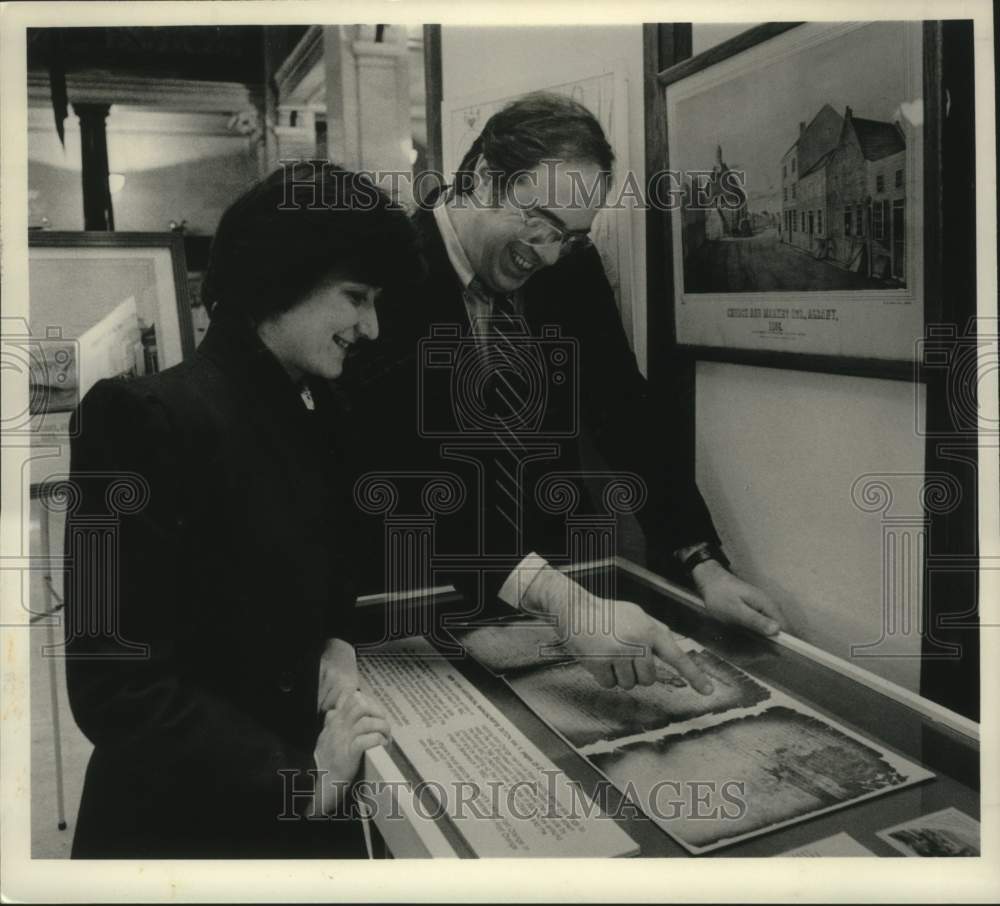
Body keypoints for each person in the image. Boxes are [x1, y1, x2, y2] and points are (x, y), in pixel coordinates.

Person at [346, 92, 784, 694]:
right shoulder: (385, 275)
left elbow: (626, 414)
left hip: (559, 596)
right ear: (480, 179)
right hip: (412, 599)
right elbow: (399, 473)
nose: (549, 254)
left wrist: (701, 563)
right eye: (541, 223)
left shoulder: (571, 271)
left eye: (569, 237)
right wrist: (560, 599)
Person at [63, 163, 422, 858]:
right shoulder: (139, 420)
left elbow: (331, 564)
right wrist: (301, 781)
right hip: (188, 826)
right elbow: (115, 683)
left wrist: (336, 640)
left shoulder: (316, 409)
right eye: (356, 296)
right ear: (280, 279)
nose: (372, 327)